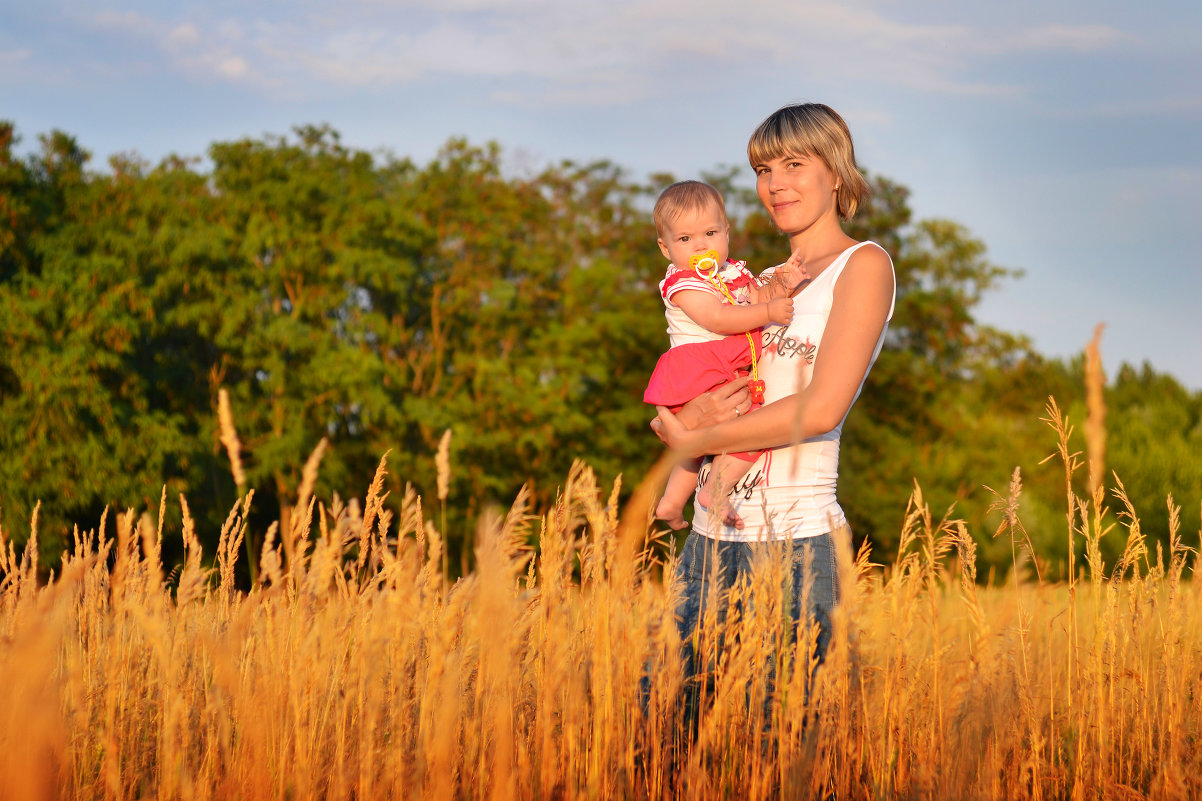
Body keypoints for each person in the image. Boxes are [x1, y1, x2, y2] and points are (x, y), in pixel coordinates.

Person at [652, 103, 896, 686]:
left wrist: (696, 434)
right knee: (663, 734)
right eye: (763, 170)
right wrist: (691, 417)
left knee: (780, 743)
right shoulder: (756, 282)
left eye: (793, 163)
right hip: (712, 536)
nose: (775, 184)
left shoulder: (862, 266)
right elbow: (698, 389)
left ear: (835, 172)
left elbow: (820, 408)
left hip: (798, 543)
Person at [643, 180, 804, 529]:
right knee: (750, 424)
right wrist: (769, 313)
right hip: (701, 365)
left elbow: (757, 299)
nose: (700, 245)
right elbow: (718, 318)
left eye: (710, 233)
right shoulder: (685, 283)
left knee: (700, 439)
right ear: (666, 248)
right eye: (685, 239)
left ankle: (671, 503)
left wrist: (782, 285)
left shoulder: (731, 273)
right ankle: (716, 489)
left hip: (718, 364)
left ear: (726, 233)